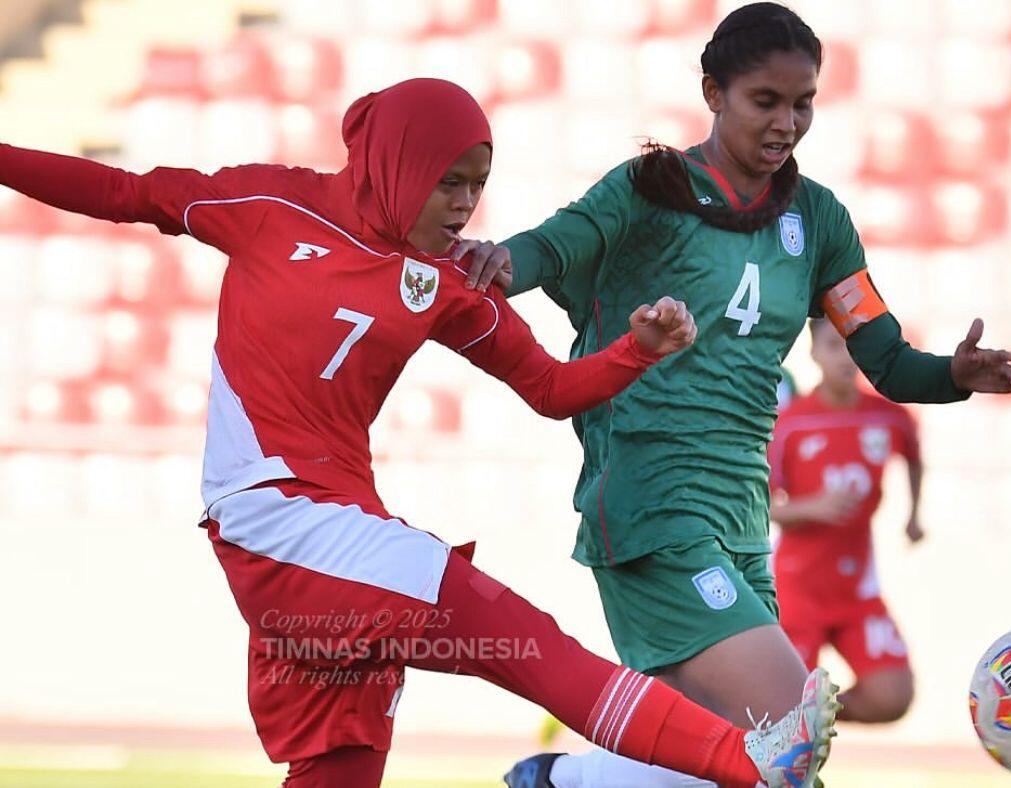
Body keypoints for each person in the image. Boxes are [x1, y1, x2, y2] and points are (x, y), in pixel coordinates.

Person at [0, 79, 841, 788]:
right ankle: (746, 758)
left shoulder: (438, 281)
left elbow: (551, 389)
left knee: (342, 766)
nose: (468, 203)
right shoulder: (266, 205)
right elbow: (123, 192)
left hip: (326, 550)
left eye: (479, 182)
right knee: (524, 641)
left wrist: (636, 350)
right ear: (397, 163)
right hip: (278, 520)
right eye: (451, 181)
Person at [450, 4, 1011, 786]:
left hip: (740, 521)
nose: (788, 122)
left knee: (730, 764)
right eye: (767, 100)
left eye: (805, 104)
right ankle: (565, 780)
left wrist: (954, 375)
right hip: (651, 508)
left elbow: (887, 360)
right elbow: (550, 247)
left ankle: (567, 780)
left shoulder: (818, 219)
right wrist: (495, 262)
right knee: (790, 737)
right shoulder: (647, 191)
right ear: (713, 92)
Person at [770, 318, 924, 724]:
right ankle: (792, 727)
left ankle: (816, 720)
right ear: (815, 353)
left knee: (892, 697)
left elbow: (912, 452)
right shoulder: (792, 425)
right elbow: (760, 506)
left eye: (853, 347)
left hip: (857, 589)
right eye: (834, 346)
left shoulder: (889, 418)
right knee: (776, 702)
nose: (846, 357)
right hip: (797, 590)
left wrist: (914, 516)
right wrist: (811, 507)